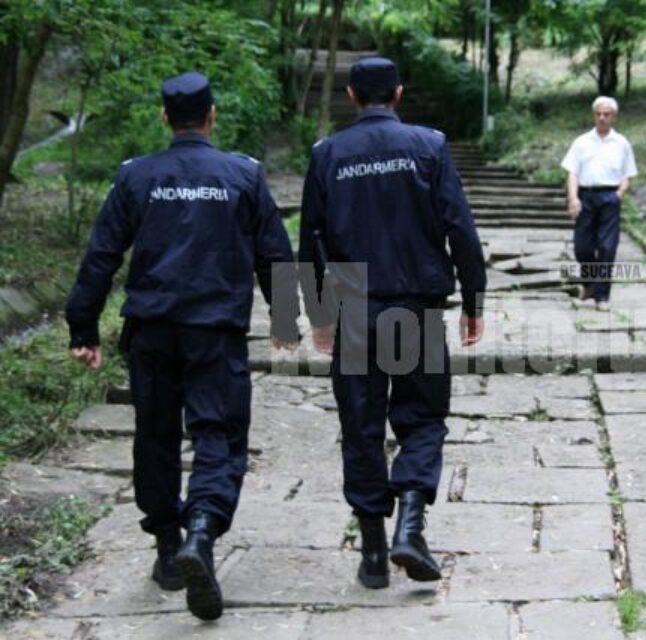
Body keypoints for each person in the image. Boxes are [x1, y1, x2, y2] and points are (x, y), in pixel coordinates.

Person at [65, 72, 299, 621]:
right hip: (214, 332)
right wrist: (287, 322)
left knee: (156, 436)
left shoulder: (136, 177)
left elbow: (102, 255)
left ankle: (170, 549)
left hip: (151, 331)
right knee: (219, 434)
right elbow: (276, 253)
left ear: (164, 118)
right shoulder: (243, 174)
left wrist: (83, 326)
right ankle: (203, 530)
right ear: (211, 116)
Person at [299, 57, 486, 589]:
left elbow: (310, 236)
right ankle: (410, 525)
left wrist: (316, 315)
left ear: (352, 95)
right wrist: (474, 298)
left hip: (355, 306)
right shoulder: (428, 146)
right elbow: (459, 227)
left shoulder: (328, 154)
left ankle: (375, 554)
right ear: (398, 94)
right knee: (422, 420)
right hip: (414, 306)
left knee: (361, 427)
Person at [561, 96, 638, 312]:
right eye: (598, 114)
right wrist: (573, 198)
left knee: (606, 247)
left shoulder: (621, 143)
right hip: (585, 196)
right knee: (582, 248)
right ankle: (589, 285)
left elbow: (628, 174)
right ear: (594, 115)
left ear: (614, 117)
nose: (602, 118)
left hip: (609, 198)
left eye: (607, 114)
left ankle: (602, 296)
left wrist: (619, 194)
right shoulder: (581, 142)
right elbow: (572, 172)